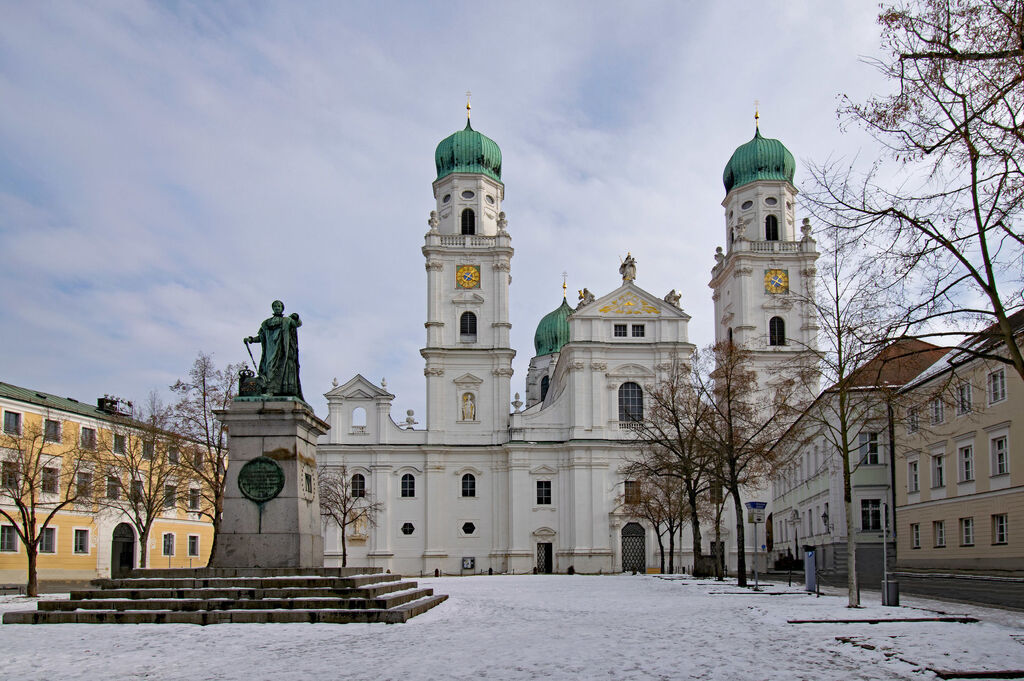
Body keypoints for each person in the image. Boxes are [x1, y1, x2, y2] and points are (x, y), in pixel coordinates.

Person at [246, 300, 303, 399]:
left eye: (279, 306)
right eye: (275, 306)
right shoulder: (266, 323)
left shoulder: (287, 320)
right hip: (270, 351)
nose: (277, 308)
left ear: (282, 308)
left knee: (280, 371)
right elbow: (261, 337)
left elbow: (297, 324)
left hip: (283, 352)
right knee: (268, 369)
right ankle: (268, 390)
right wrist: (251, 339)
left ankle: (271, 391)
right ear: (272, 308)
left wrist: (296, 317)